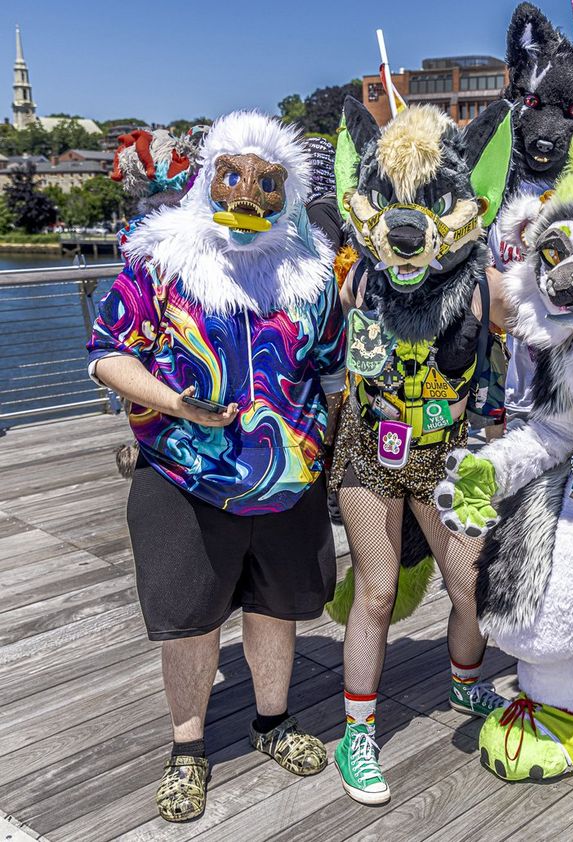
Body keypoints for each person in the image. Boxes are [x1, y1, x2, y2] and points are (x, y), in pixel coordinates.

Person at [86, 111, 346, 823]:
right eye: (232, 177)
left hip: (288, 482)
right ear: (208, 180)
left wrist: (335, 447)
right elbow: (107, 353)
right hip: (184, 477)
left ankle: (272, 721)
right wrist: (174, 401)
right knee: (190, 621)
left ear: (288, 192)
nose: (248, 195)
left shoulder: (310, 275)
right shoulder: (163, 263)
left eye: (267, 183)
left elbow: (330, 370)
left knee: (276, 609)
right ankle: (188, 748)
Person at [327, 98, 513, 804]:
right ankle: (357, 734)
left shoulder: (486, 290)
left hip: (446, 452)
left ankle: (464, 685)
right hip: (371, 448)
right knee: (375, 592)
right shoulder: (358, 278)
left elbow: (556, 335)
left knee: (471, 587)